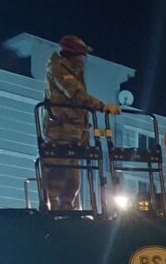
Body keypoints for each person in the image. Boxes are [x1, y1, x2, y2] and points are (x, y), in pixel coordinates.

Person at [42, 35, 122, 210]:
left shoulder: (73, 70)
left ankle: (67, 211)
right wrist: (103, 107)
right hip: (61, 131)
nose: (84, 59)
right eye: (81, 55)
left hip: (75, 133)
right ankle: (53, 214)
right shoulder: (58, 69)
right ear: (72, 55)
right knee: (58, 175)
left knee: (73, 180)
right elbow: (76, 95)